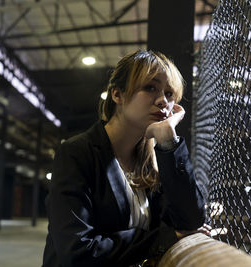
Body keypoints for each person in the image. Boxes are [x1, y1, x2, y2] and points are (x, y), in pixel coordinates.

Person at [42, 50, 208, 267]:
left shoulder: (154, 159)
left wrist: (169, 138)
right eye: (150, 87)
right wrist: (162, 238)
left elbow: (192, 221)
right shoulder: (77, 152)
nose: (163, 101)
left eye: (169, 94)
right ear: (117, 94)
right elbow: (77, 252)